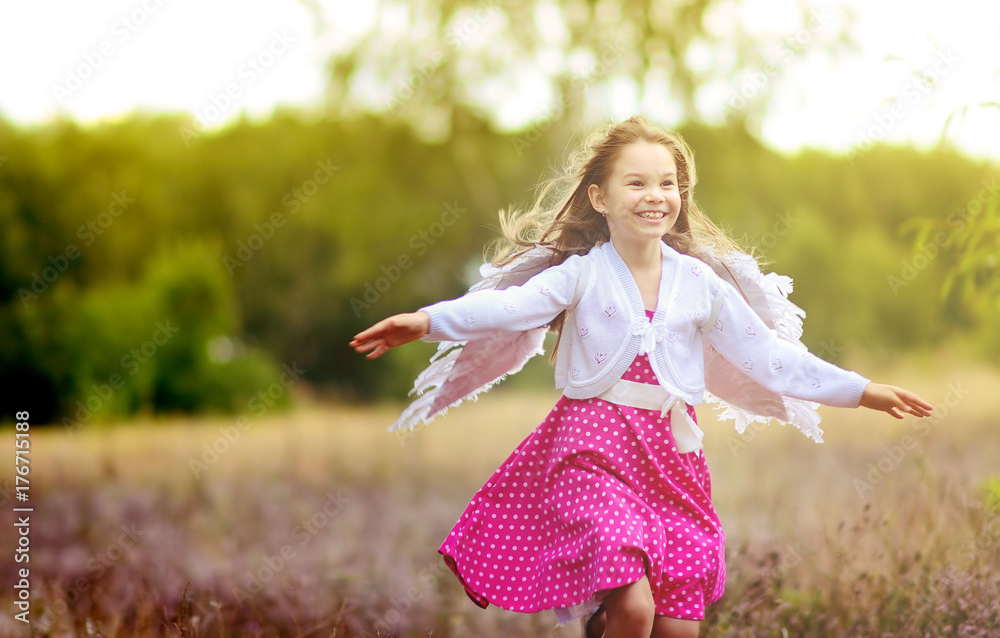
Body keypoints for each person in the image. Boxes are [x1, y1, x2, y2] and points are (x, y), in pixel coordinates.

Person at [349, 115, 932, 638]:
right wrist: (425, 322)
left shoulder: (700, 284)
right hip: (591, 450)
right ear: (600, 198)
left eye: (667, 183)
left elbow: (771, 357)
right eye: (637, 183)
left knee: (676, 629)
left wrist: (861, 390)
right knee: (634, 609)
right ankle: (613, 619)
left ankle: (601, 627)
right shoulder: (579, 276)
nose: (655, 196)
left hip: (672, 462)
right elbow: (506, 309)